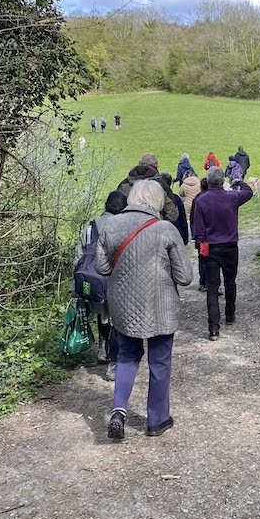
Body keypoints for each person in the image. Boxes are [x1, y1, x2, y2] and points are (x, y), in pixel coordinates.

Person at [95, 180, 193, 441]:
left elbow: (101, 268)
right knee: (159, 361)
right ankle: (157, 420)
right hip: (160, 306)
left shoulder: (111, 225)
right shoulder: (166, 229)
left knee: (126, 356)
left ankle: (118, 411)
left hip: (124, 305)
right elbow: (185, 277)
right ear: (157, 201)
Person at [192, 167, 253, 339]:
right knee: (230, 282)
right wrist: (238, 181)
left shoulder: (201, 200)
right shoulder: (232, 197)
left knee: (212, 287)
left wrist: (200, 247)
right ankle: (230, 314)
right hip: (230, 246)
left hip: (211, 247)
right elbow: (249, 192)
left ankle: (213, 328)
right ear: (222, 181)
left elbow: (198, 229)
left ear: (208, 181)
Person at [73, 189, 128, 380]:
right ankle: (113, 363)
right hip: (118, 281)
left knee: (102, 315)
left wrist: (77, 285)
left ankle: (102, 349)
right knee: (116, 321)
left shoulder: (90, 227)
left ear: (106, 205)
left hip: (94, 281)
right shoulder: (125, 227)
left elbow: (79, 257)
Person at [117, 153, 178, 222]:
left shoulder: (124, 184)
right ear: (156, 165)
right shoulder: (162, 186)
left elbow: (115, 206)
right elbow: (172, 213)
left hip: (127, 224)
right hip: (154, 224)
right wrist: (160, 223)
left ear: (139, 163)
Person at [160, 173, 189, 244]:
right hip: (174, 230)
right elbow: (182, 219)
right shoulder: (175, 198)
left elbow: (182, 218)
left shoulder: (157, 199)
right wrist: (185, 238)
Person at [190, 177, 209, 290]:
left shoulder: (197, 198)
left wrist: (194, 234)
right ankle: (213, 283)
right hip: (213, 234)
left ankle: (203, 282)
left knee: (203, 259)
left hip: (201, 235)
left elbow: (193, 218)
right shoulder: (213, 198)